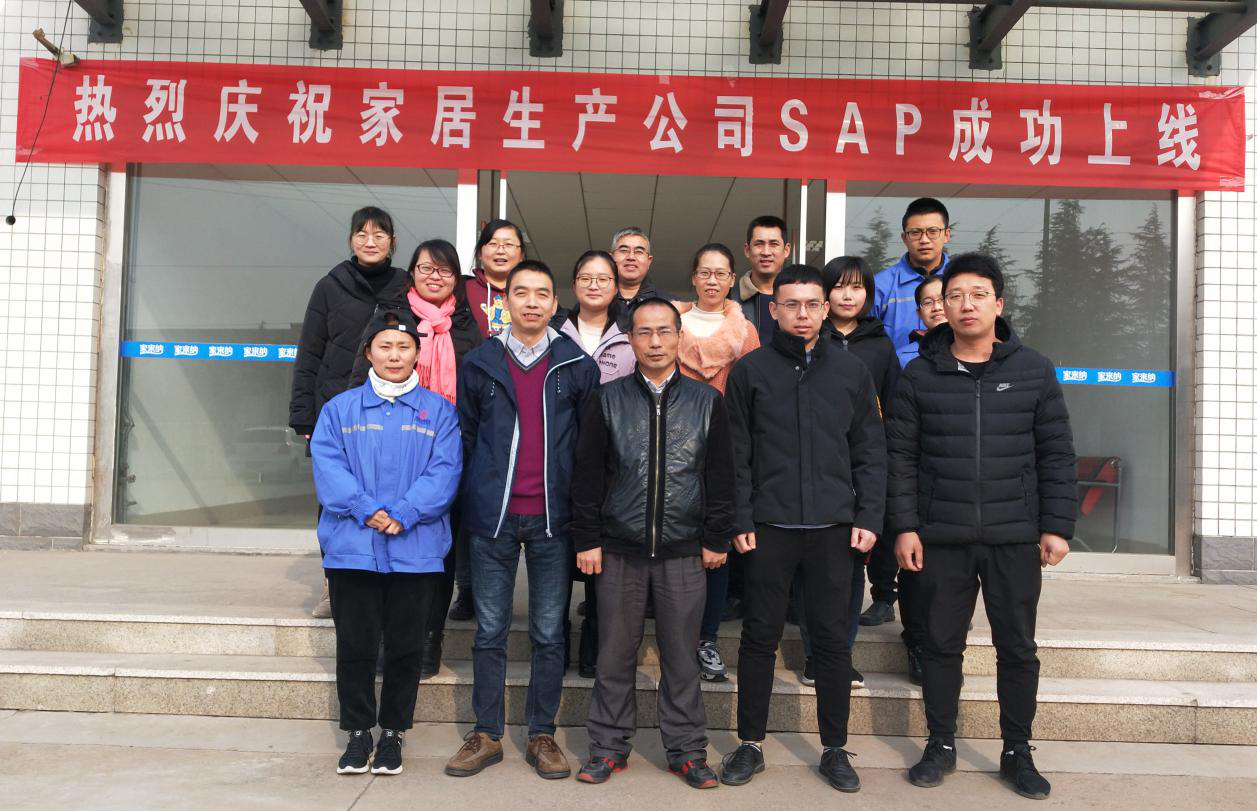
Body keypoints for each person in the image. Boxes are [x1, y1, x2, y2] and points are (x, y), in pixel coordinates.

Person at [886, 253, 1077, 801]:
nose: (965, 305)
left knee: (1016, 647)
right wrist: (905, 526)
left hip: (1013, 534)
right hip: (940, 535)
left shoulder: (1033, 370)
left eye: (977, 295)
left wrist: (1056, 525)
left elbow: (1056, 452)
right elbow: (900, 458)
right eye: (954, 296)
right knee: (940, 645)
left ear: (998, 303)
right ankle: (940, 743)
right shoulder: (920, 374)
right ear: (941, 308)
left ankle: (1017, 749)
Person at [719, 265, 887, 794]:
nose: (802, 314)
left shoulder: (851, 371)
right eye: (791, 304)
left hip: (835, 529)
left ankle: (835, 748)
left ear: (826, 308)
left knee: (832, 643)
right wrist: (740, 517)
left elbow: (870, 451)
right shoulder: (750, 371)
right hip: (768, 528)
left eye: (812, 304)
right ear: (773, 310)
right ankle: (751, 743)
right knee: (759, 638)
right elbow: (735, 454)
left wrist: (869, 517)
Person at [444, 260, 600, 781]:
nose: (532, 302)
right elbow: (466, 439)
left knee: (549, 633)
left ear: (555, 303)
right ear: (505, 302)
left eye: (542, 293)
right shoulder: (480, 362)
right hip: (493, 519)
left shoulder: (577, 365)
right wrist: (469, 500)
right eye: (521, 293)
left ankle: (542, 735)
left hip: (553, 520)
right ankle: (486, 733)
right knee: (489, 630)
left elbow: (588, 451)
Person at [571, 297, 735, 789]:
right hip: (619, 548)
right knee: (614, 655)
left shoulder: (707, 402)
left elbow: (721, 477)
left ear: (679, 336)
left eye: (665, 331)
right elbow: (587, 476)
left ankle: (687, 751)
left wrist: (716, 536)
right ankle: (607, 748)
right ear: (631, 340)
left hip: (684, 550)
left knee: (682, 658)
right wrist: (588, 539)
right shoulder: (606, 399)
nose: (656, 341)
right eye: (644, 332)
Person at [310, 309, 462, 777]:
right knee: (355, 645)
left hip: (415, 549)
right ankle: (358, 733)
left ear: (417, 353)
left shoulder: (439, 411)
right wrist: (364, 508)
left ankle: (393, 732)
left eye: (403, 347)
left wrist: (406, 512)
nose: (394, 355)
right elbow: (327, 465)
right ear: (369, 352)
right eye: (385, 347)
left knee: (405, 647)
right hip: (352, 547)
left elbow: (446, 470)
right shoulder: (340, 410)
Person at [344, 239, 484, 678]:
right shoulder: (389, 319)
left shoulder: (467, 327)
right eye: (426, 268)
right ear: (412, 273)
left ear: (456, 278)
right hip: (387, 449)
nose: (435, 277)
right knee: (385, 542)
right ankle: (386, 637)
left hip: (446, 449)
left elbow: (477, 394)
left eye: (445, 270)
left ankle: (428, 637)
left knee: (438, 550)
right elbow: (359, 382)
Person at [291, 206, 411, 619]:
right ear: (351, 239)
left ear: (392, 242)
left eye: (379, 234)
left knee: (387, 493)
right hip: (336, 408)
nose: (370, 241)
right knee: (335, 497)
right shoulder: (330, 286)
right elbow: (310, 351)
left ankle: (385, 580)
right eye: (362, 233)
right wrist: (304, 416)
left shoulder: (404, 285)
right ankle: (334, 583)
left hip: (391, 407)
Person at [785, 256, 899, 689]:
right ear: (824, 295)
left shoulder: (881, 346)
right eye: (839, 287)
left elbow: (890, 413)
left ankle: (841, 655)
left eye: (858, 287)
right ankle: (814, 654)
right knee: (808, 573)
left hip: (857, 474)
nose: (848, 296)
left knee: (849, 573)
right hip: (807, 470)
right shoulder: (808, 339)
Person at [673, 243, 759, 682]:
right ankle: (675, 639)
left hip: (724, 450)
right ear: (693, 277)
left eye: (721, 273)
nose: (712, 280)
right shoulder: (670, 324)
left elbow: (755, 397)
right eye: (704, 272)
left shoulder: (745, 332)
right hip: (670, 449)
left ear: (731, 279)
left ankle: (706, 638)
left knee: (716, 547)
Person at [552, 250, 636, 678]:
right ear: (574, 284)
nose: (594, 285)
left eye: (603, 278)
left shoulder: (630, 336)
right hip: (557, 458)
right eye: (586, 277)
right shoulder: (554, 334)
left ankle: (593, 640)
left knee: (604, 554)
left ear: (616, 286)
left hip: (613, 463)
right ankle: (555, 638)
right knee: (558, 555)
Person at [872, 197, 953, 367]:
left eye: (933, 231)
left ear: (946, 235)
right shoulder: (880, 286)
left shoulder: (961, 281)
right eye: (915, 232)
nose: (924, 240)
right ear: (904, 238)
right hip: (897, 375)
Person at [735, 215, 792, 346]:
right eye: (759, 244)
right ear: (747, 250)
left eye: (774, 244)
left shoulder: (801, 298)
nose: (766, 252)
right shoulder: (729, 299)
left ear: (786, 250)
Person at [466, 218, 527, 340]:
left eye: (508, 244)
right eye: (493, 244)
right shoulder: (463, 290)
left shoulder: (533, 291)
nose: (500, 251)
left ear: (521, 255)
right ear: (480, 253)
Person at [610, 227, 673, 322]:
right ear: (611, 259)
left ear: (649, 261)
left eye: (639, 252)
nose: (631, 257)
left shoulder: (670, 304)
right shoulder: (595, 300)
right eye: (624, 250)